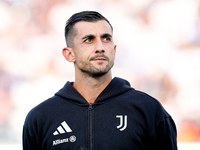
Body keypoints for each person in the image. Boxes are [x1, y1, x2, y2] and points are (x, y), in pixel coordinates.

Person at [23, 11, 177, 150]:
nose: (100, 47)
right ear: (69, 54)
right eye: (89, 40)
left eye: (106, 39)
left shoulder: (148, 110)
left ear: (114, 50)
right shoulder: (41, 118)